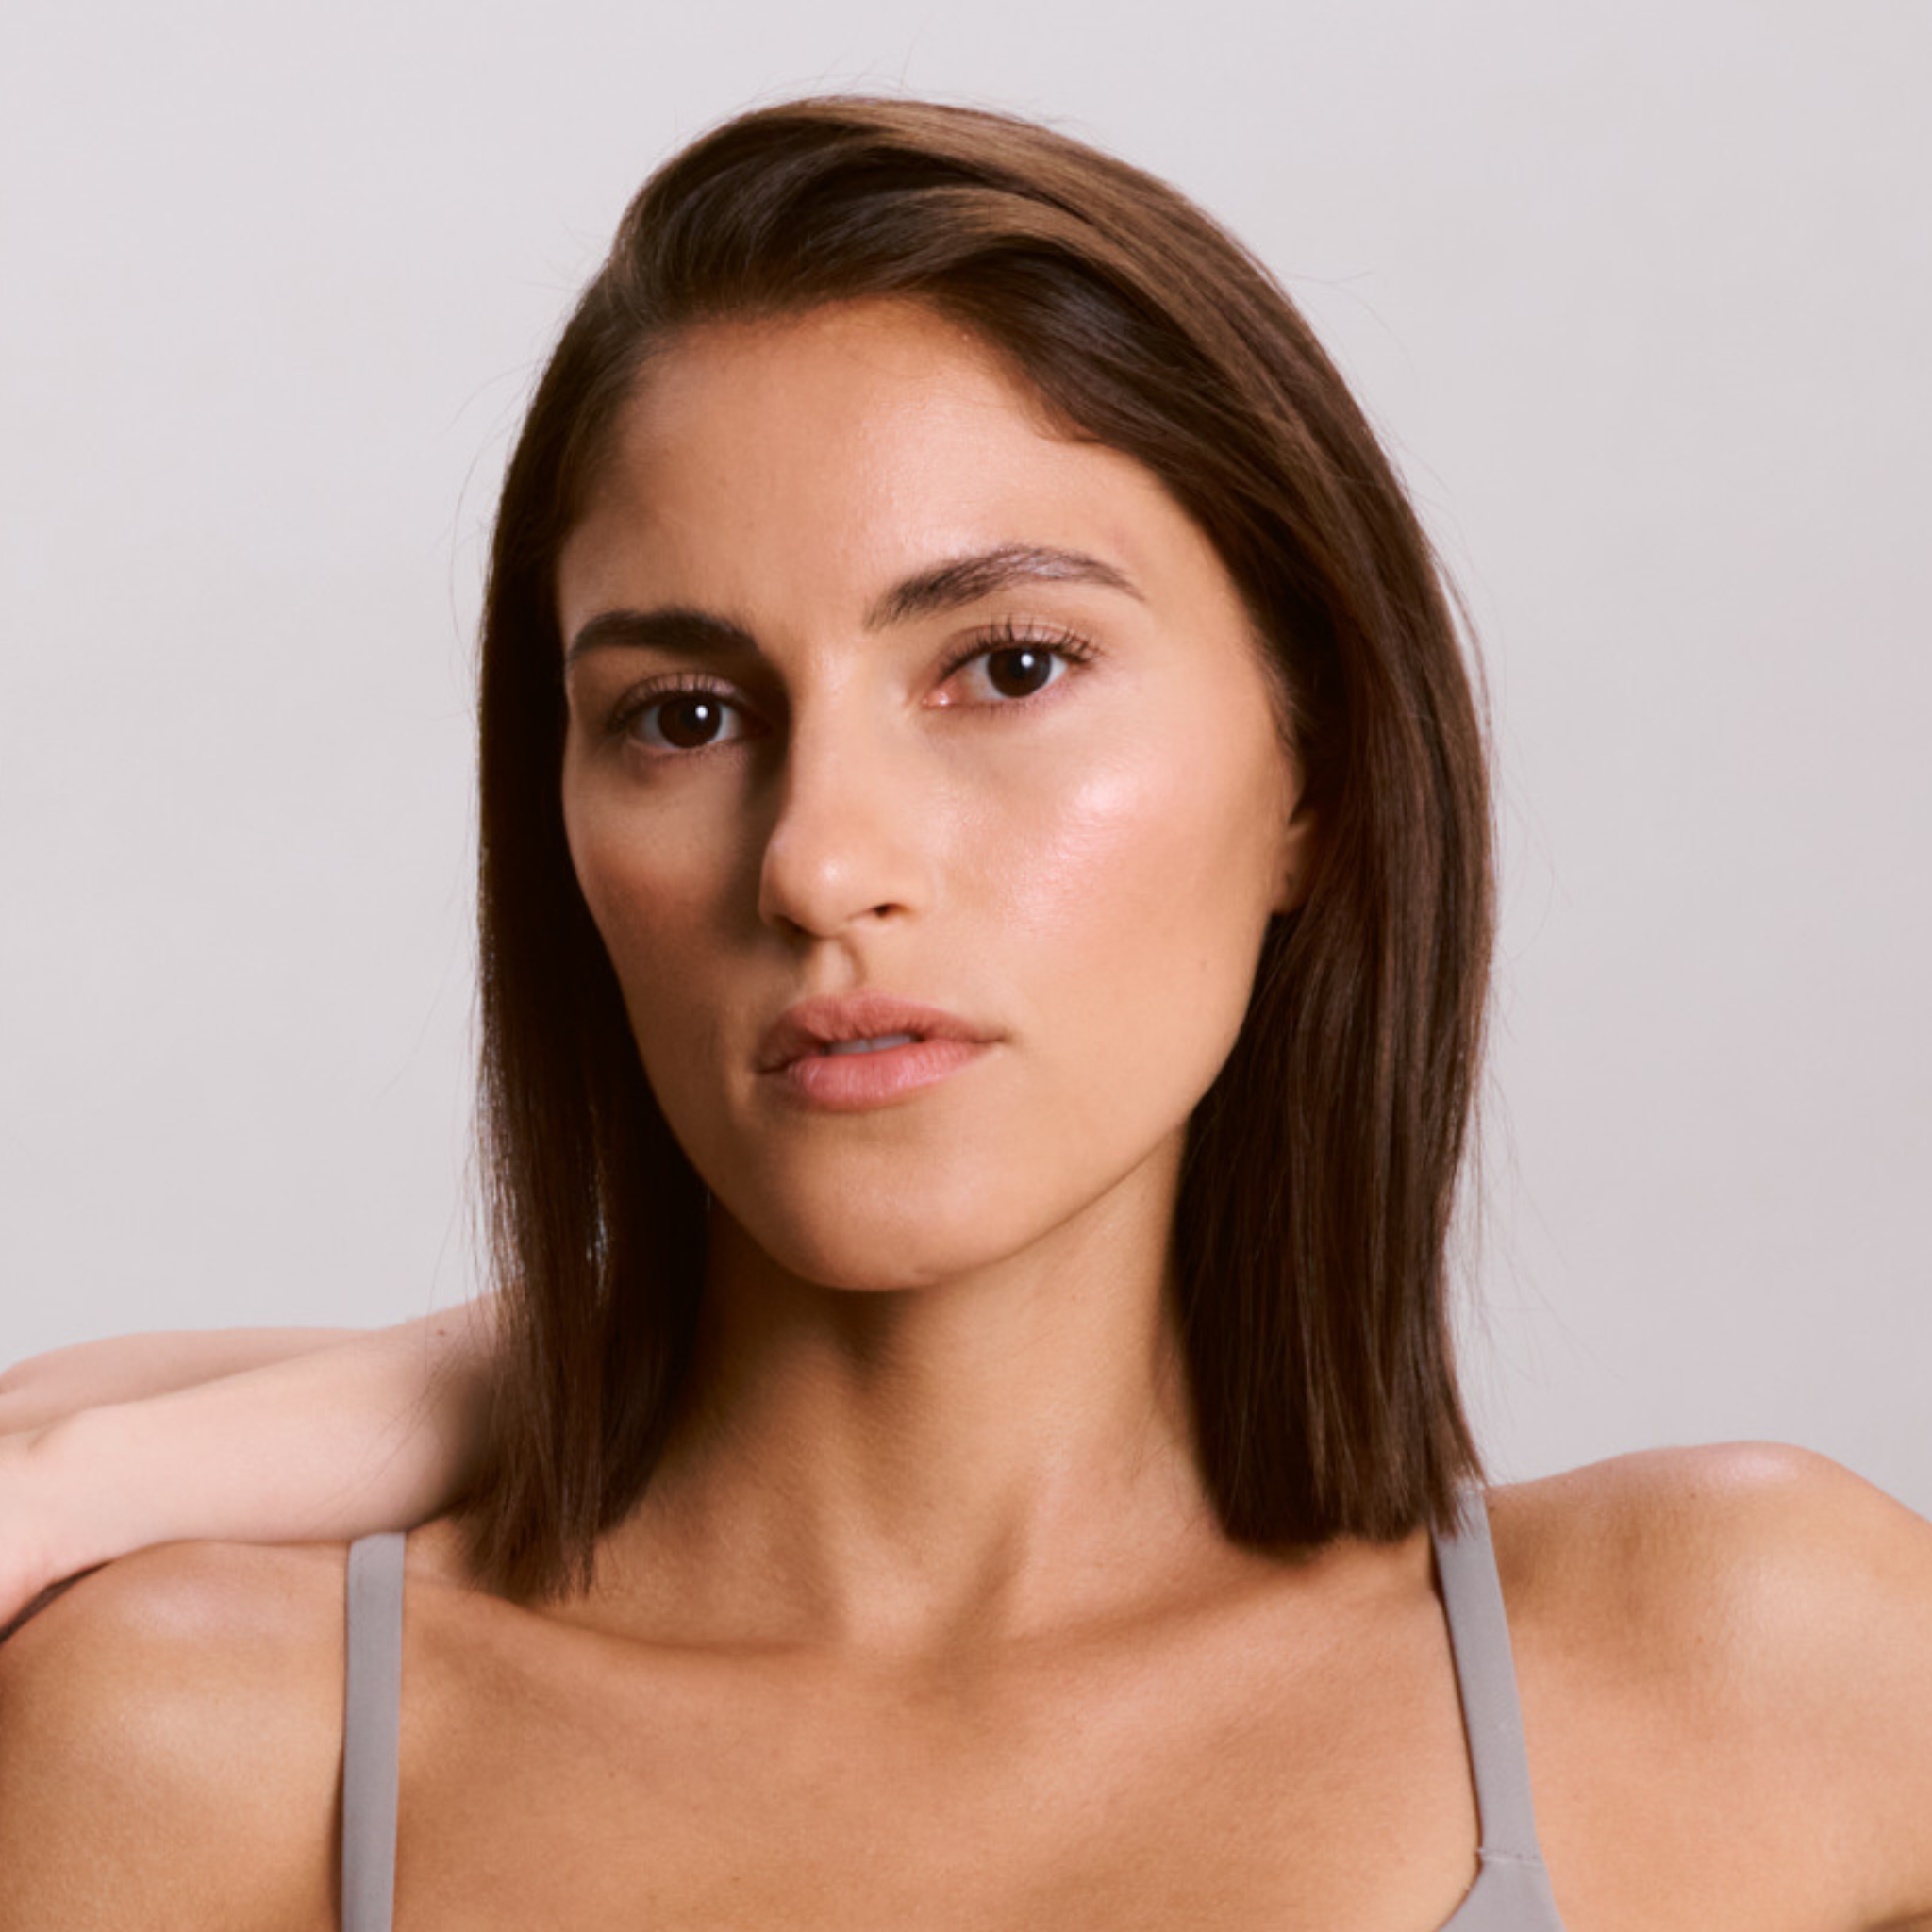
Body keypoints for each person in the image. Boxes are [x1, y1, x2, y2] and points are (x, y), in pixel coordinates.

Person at [2, 92, 1929, 1932]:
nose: (817, 862)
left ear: (1317, 770)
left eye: (1006, 667)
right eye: (684, 716)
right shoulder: (212, 1752)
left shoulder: (1761, 1678)